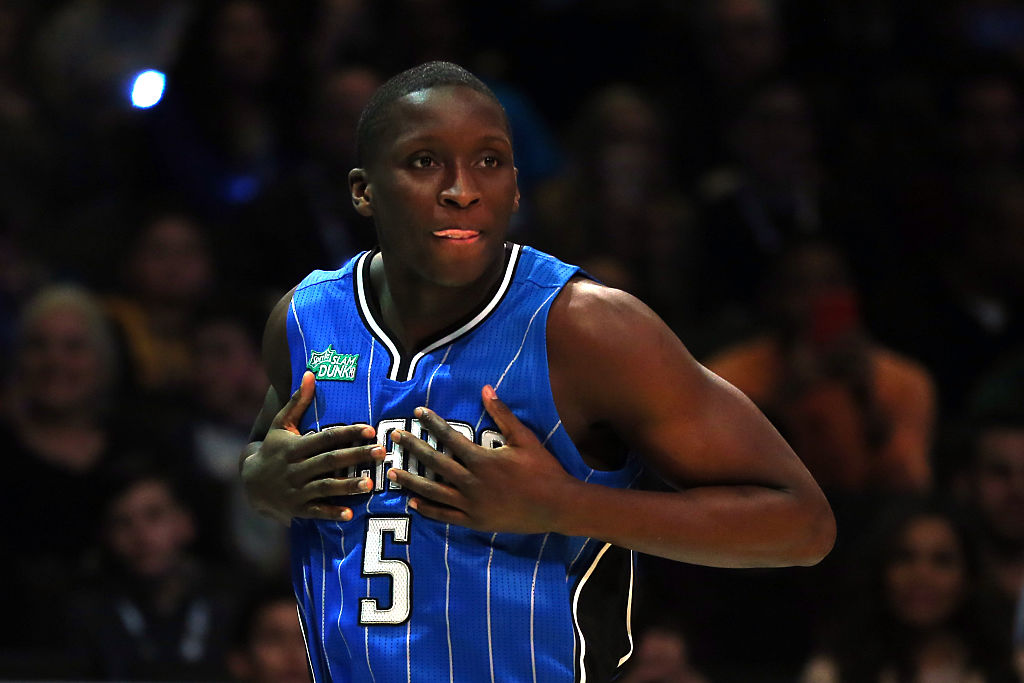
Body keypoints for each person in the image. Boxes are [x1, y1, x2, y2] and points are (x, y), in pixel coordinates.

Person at [240, 61, 836, 682]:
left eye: (489, 161)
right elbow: (264, 452)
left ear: (518, 189)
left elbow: (802, 525)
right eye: (424, 161)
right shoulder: (305, 320)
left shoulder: (589, 329)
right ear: (363, 191)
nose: (462, 189)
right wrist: (259, 479)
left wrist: (562, 504)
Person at [801, 498, 1020, 683]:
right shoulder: (831, 673)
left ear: (970, 576)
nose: (921, 576)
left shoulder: (1009, 671)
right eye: (904, 557)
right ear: (881, 570)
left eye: (942, 560)